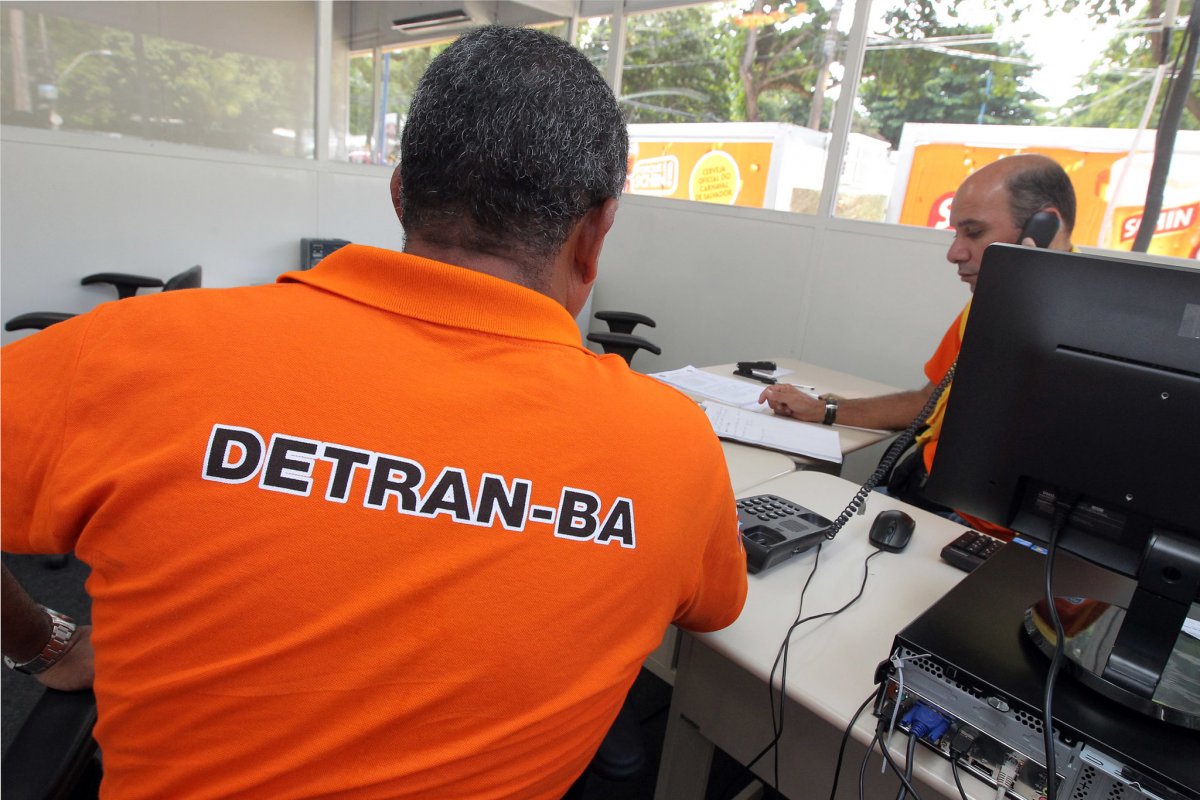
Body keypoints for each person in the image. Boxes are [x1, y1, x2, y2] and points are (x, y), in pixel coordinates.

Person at [1, 26, 747, 799]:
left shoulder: (135, 352)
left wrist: (39, 643)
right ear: (597, 231)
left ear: (399, 194)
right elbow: (716, 609)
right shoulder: (675, 448)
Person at [760, 154, 1076, 537]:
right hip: (924, 493)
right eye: (956, 234)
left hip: (979, 529)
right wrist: (823, 409)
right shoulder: (990, 303)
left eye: (974, 233)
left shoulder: (1087, 334)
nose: (954, 253)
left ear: (1044, 227)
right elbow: (928, 400)